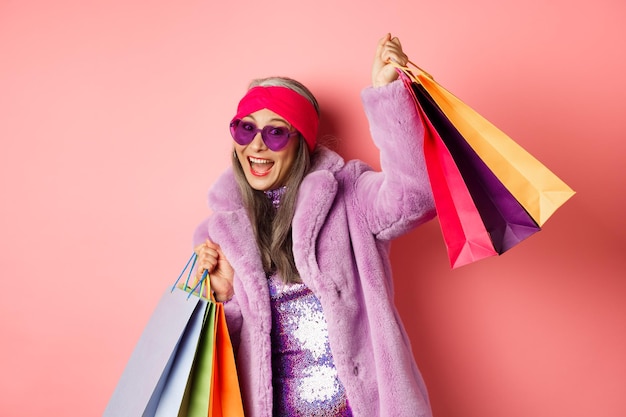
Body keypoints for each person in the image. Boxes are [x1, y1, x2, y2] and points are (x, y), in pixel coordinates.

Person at [192, 33, 436, 417]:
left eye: (275, 132)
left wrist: (387, 95)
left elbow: (416, 197)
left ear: (300, 142)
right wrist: (220, 298)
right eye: (245, 128)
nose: (256, 146)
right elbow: (220, 361)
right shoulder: (221, 234)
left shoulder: (349, 194)